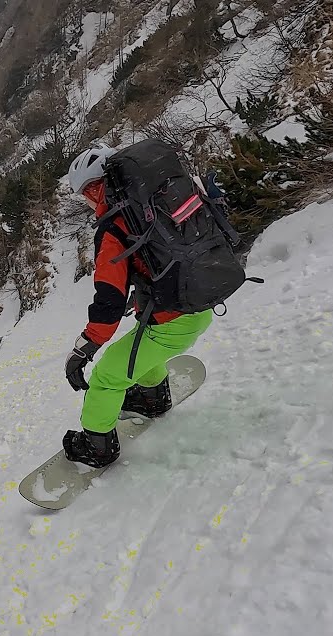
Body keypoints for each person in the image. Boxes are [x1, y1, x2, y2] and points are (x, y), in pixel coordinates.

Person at [61, 146, 216, 468]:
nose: (87, 202)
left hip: (175, 321)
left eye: (85, 194)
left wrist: (84, 349)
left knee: (106, 376)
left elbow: (109, 299)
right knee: (140, 344)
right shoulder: (157, 205)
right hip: (199, 302)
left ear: (95, 189)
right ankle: (151, 397)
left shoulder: (116, 227)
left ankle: (97, 447)